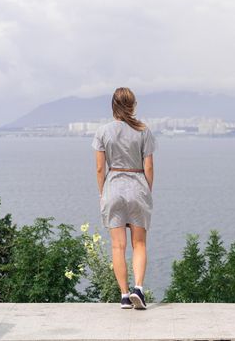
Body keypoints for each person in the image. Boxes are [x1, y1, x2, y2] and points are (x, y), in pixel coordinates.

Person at [91, 87, 157, 310]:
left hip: (113, 187)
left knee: (118, 247)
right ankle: (139, 288)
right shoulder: (143, 131)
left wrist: (102, 193)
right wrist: (147, 191)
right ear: (133, 105)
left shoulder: (102, 132)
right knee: (139, 244)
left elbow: (100, 168)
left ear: (113, 106)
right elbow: (148, 166)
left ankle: (124, 295)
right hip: (138, 186)